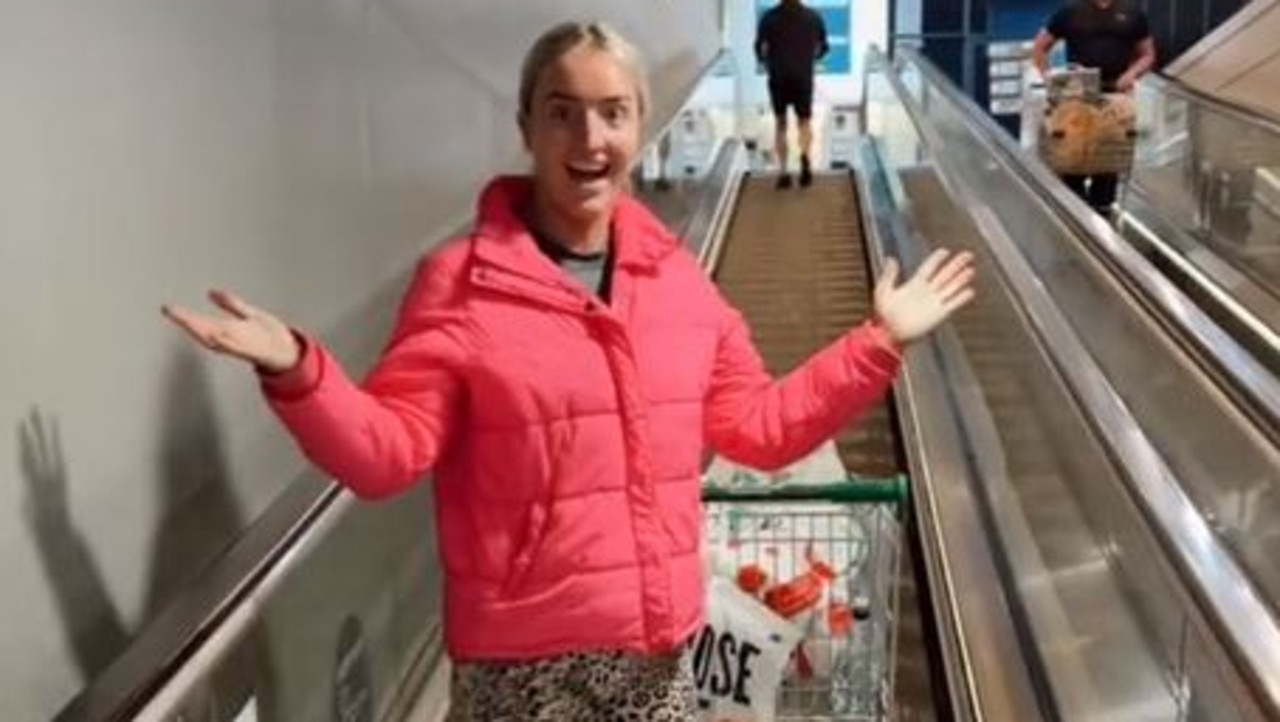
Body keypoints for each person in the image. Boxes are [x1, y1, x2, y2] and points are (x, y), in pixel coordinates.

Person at [163, 20, 975, 721]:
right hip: (521, 667)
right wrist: (300, 371)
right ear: (526, 126)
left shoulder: (677, 282)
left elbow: (759, 431)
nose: (590, 141)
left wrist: (876, 344)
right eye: (563, 114)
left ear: (640, 124)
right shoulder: (462, 281)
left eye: (612, 114)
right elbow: (389, 453)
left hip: (655, 656)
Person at [1033, 0, 1156, 216]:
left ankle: (1103, 211)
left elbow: (1147, 54)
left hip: (1115, 97)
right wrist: (1049, 79)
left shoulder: (1133, 13)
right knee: (1073, 157)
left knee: (1108, 161)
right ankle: (1075, 212)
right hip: (1077, 95)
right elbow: (1040, 48)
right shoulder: (1069, 11)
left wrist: (1132, 74)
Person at [755, 0, 828, 189]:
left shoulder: (768, 17)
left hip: (778, 76)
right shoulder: (813, 17)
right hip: (803, 76)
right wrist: (810, 58)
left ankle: (784, 173)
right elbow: (824, 47)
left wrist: (768, 61)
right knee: (804, 121)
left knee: (780, 123)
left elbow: (758, 49)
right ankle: (805, 159)